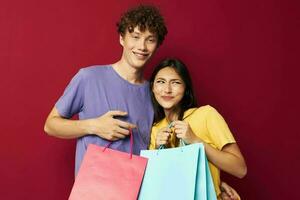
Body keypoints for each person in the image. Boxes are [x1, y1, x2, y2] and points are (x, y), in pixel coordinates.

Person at [44, 4, 168, 176]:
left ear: (157, 45)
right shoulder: (89, 78)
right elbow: (50, 125)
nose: (142, 46)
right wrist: (94, 126)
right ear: (122, 39)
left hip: (138, 190)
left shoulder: (156, 93)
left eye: (150, 39)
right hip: (95, 189)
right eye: (135, 36)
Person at [149, 58, 247, 200]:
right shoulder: (156, 129)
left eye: (175, 82)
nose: (167, 89)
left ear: (185, 88)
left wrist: (196, 142)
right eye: (160, 82)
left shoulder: (206, 115)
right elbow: (155, 183)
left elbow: (240, 169)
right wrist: (158, 148)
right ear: (152, 87)